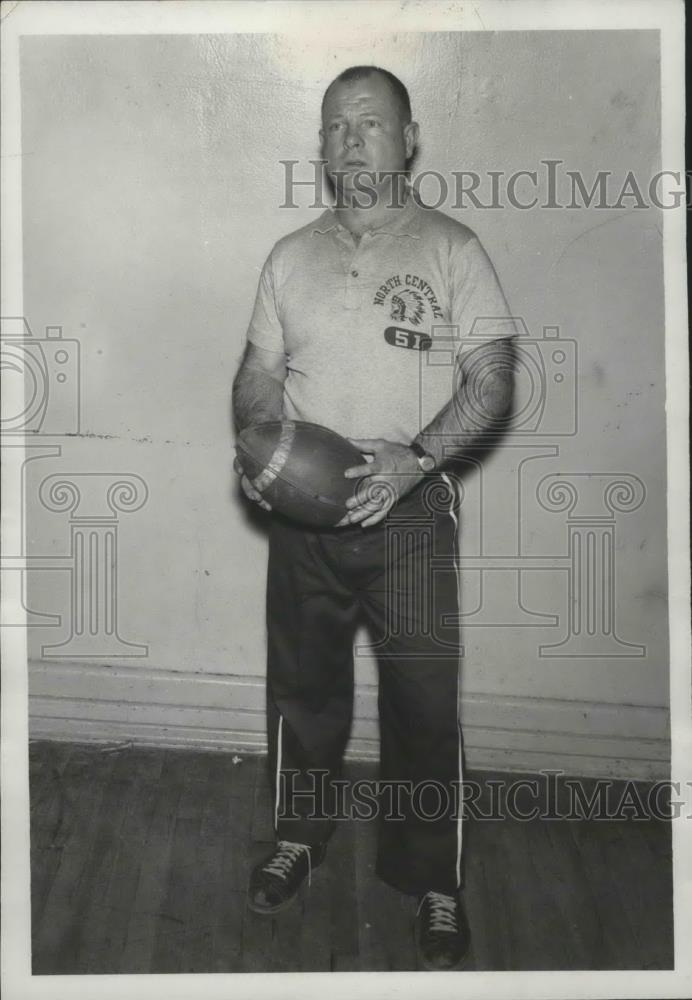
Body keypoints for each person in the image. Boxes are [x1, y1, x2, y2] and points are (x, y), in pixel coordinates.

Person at [232, 65, 516, 971]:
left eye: (373, 123)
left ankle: (433, 878)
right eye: (336, 127)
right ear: (320, 148)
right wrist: (256, 445)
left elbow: (494, 380)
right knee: (304, 695)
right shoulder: (289, 256)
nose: (354, 140)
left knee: (423, 706)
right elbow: (258, 374)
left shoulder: (452, 248)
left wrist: (417, 459)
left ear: (410, 139)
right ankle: (299, 834)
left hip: (413, 519)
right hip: (305, 524)